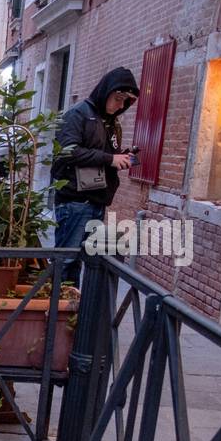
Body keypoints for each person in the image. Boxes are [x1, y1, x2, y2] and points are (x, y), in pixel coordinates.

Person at [51, 66, 139, 284]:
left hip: (96, 201)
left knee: (80, 260)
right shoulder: (78, 114)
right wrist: (110, 159)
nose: (121, 105)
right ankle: (54, 313)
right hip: (75, 202)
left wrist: (121, 157)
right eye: (118, 98)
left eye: (125, 102)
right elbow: (68, 151)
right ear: (106, 91)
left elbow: (102, 155)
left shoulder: (110, 122)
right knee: (66, 260)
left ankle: (69, 313)